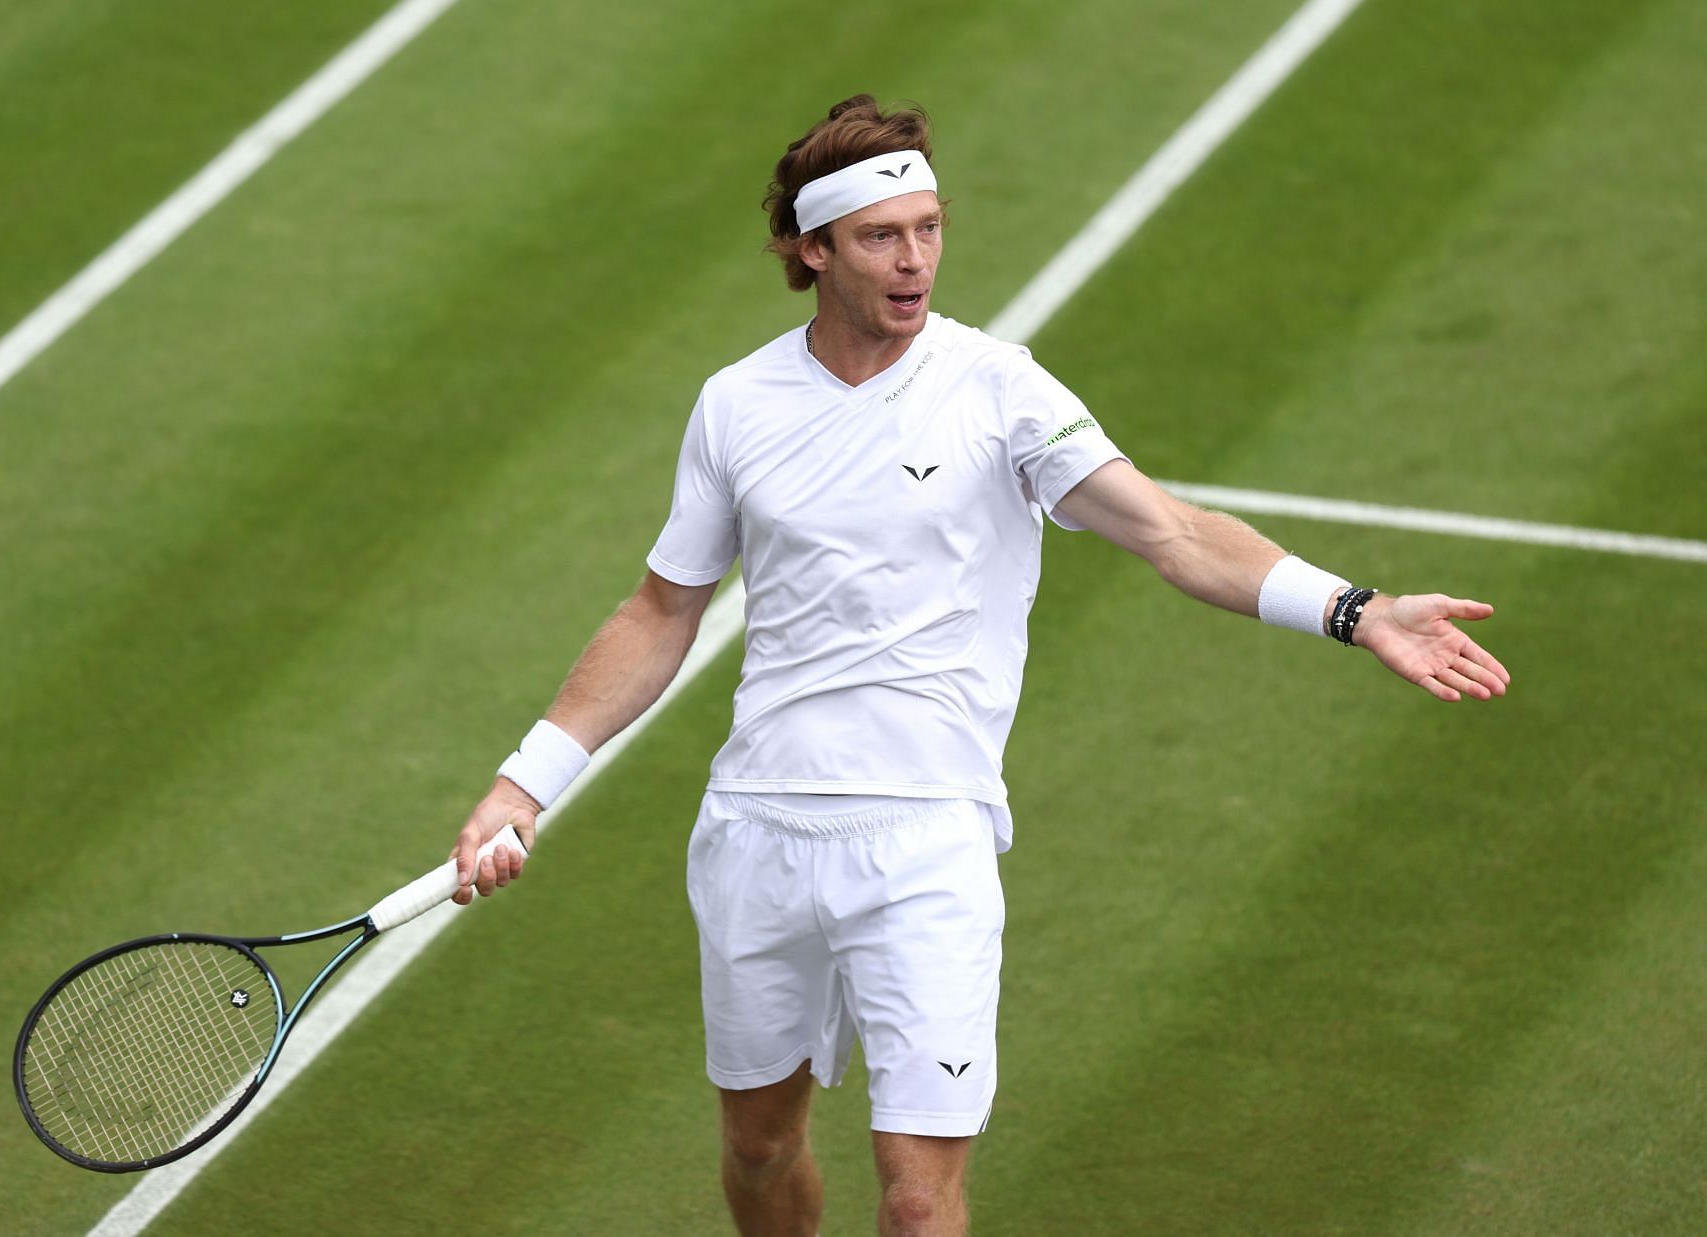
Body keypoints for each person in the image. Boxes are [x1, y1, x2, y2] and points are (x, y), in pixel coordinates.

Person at [446, 95, 1509, 1237]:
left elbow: (1172, 532)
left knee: (916, 1197)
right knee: (758, 1147)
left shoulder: (1000, 390)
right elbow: (662, 610)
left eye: (931, 228)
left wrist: (1356, 609)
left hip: (927, 841)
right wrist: (524, 782)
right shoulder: (737, 405)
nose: (916, 262)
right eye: (881, 237)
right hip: (756, 829)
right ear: (814, 250)